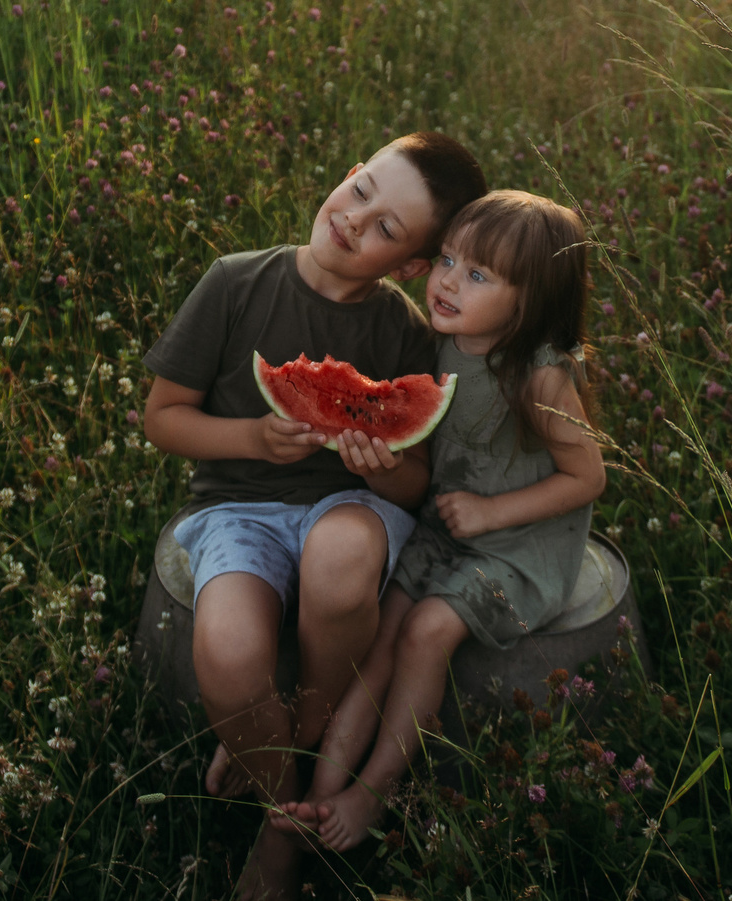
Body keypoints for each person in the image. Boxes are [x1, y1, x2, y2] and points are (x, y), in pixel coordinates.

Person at [140, 132, 486, 900]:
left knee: (340, 558)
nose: (356, 219)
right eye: (362, 189)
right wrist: (254, 437)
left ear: (408, 267)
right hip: (233, 508)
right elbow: (162, 417)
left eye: (389, 229)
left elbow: (415, 487)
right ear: (349, 172)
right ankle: (283, 798)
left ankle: (305, 739)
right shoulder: (234, 283)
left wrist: (384, 463)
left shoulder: (405, 334)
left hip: (352, 506)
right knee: (228, 657)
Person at [293, 189, 604, 851]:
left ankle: (373, 789)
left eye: (478, 274)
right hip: (446, 529)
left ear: (528, 301)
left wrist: (494, 509)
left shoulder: (541, 377)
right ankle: (318, 795)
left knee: (426, 632)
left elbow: (588, 477)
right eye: (446, 259)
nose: (447, 281)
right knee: (381, 642)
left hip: (520, 547)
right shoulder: (445, 346)